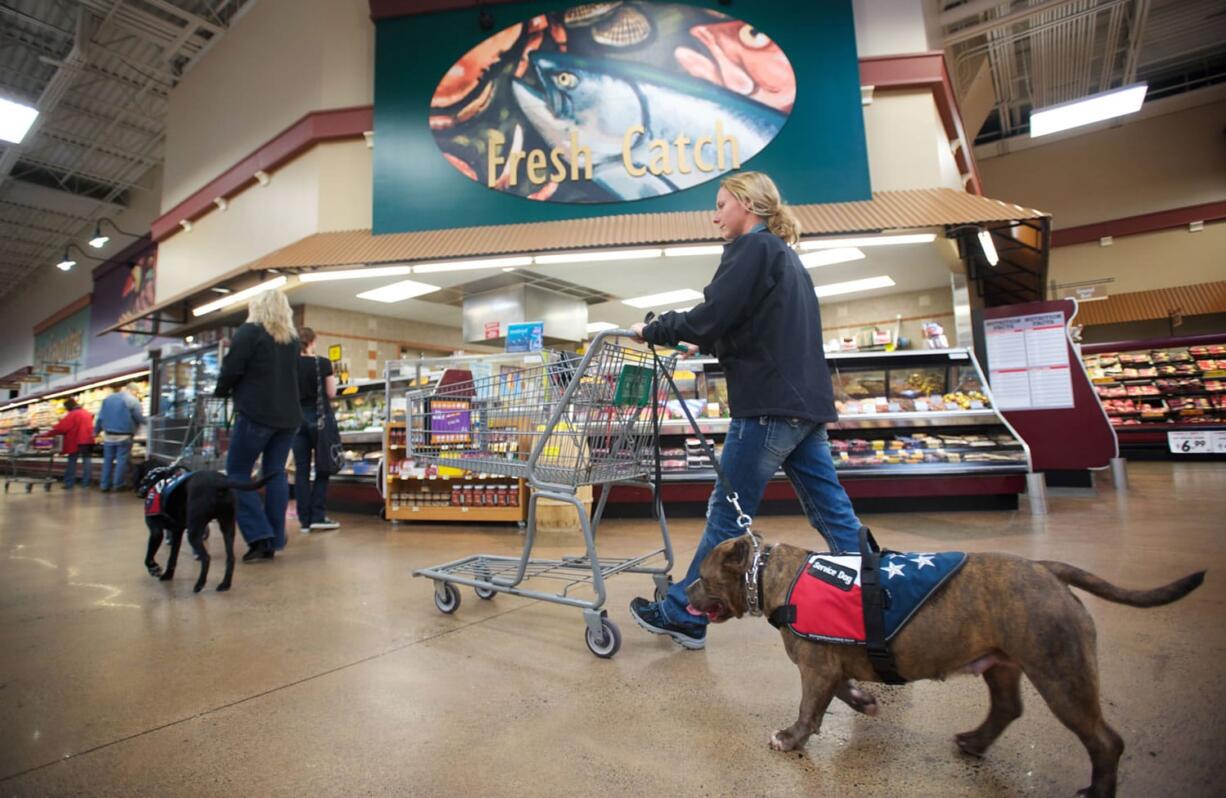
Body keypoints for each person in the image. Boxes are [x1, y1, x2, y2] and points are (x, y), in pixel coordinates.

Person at [628, 171, 864, 650]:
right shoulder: (786, 257)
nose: (714, 215)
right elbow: (745, 325)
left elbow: (713, 314)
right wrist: (713, 343)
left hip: (768, 407)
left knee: (727, 514)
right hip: (804, 406)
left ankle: (686, 612)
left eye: (720, 204)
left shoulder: (752, 249)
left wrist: (654, 329)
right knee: (830, 509)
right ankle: (879, 590)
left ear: (747, 203)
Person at [214, 289, 302, 562]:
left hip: (256, 414)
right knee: (275, 473)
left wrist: (221, 391)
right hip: (289, 418)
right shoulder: (292, 340)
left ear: (257, 307)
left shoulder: (249, 332)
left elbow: (231, 369)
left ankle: (258, 535)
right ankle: (275, 538)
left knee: (237, 473)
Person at [293, 327, 341, 531]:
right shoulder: (322, 363)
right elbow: (331, 392)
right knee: (323, 467)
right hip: (320, 419)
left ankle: (304, 520)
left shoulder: (289, 364)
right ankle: (318, 516)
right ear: (313, 341)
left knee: (301, 471)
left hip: (296, 421)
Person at [95, 383, 146, 492]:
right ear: (133, 391)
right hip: (124, 436)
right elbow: (139, 418)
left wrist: (96, 432)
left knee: (108, 461)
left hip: (108, 436)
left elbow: (100, 418)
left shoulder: (107, 400)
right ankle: (118, 484)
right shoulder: (132, 400)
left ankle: (104, 485)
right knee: (121, 461)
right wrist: (149, 424)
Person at [40, 397, 95, 489]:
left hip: (76, 441)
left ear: (68, 407)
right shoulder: (87, 413)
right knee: (87, 461)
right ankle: (86, 483)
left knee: (72, 462)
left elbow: (61, 428)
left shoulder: (72, 414)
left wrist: (45, 435)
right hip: (88, 440)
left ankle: (69, 483)